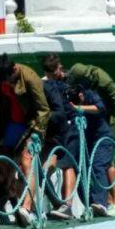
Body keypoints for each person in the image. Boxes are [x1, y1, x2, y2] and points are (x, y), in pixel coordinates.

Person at [0, 53, 50, 226]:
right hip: (11, 126)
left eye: (9, 79)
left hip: (30, 126)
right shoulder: (1, 78)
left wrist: (37, 133)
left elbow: (43, 109)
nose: (7, 83)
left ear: (14, 69)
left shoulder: (30, 79)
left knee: (27, 162)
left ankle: (27, 208)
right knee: (3, 167)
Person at [68, 63, 115, 217]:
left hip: (105, 130)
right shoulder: (80, 90)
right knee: (92, 166)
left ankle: (113, 203)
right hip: (91, 134)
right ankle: (103, 202)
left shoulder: (96, 86)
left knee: (103, 165)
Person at [40, 53, 77, 220]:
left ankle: (66, 205)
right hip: (56, 130)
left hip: (69, 126)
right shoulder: (46, 84)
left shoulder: (67, 80)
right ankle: (60, 204)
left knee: (67, 164)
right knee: (56, 165)